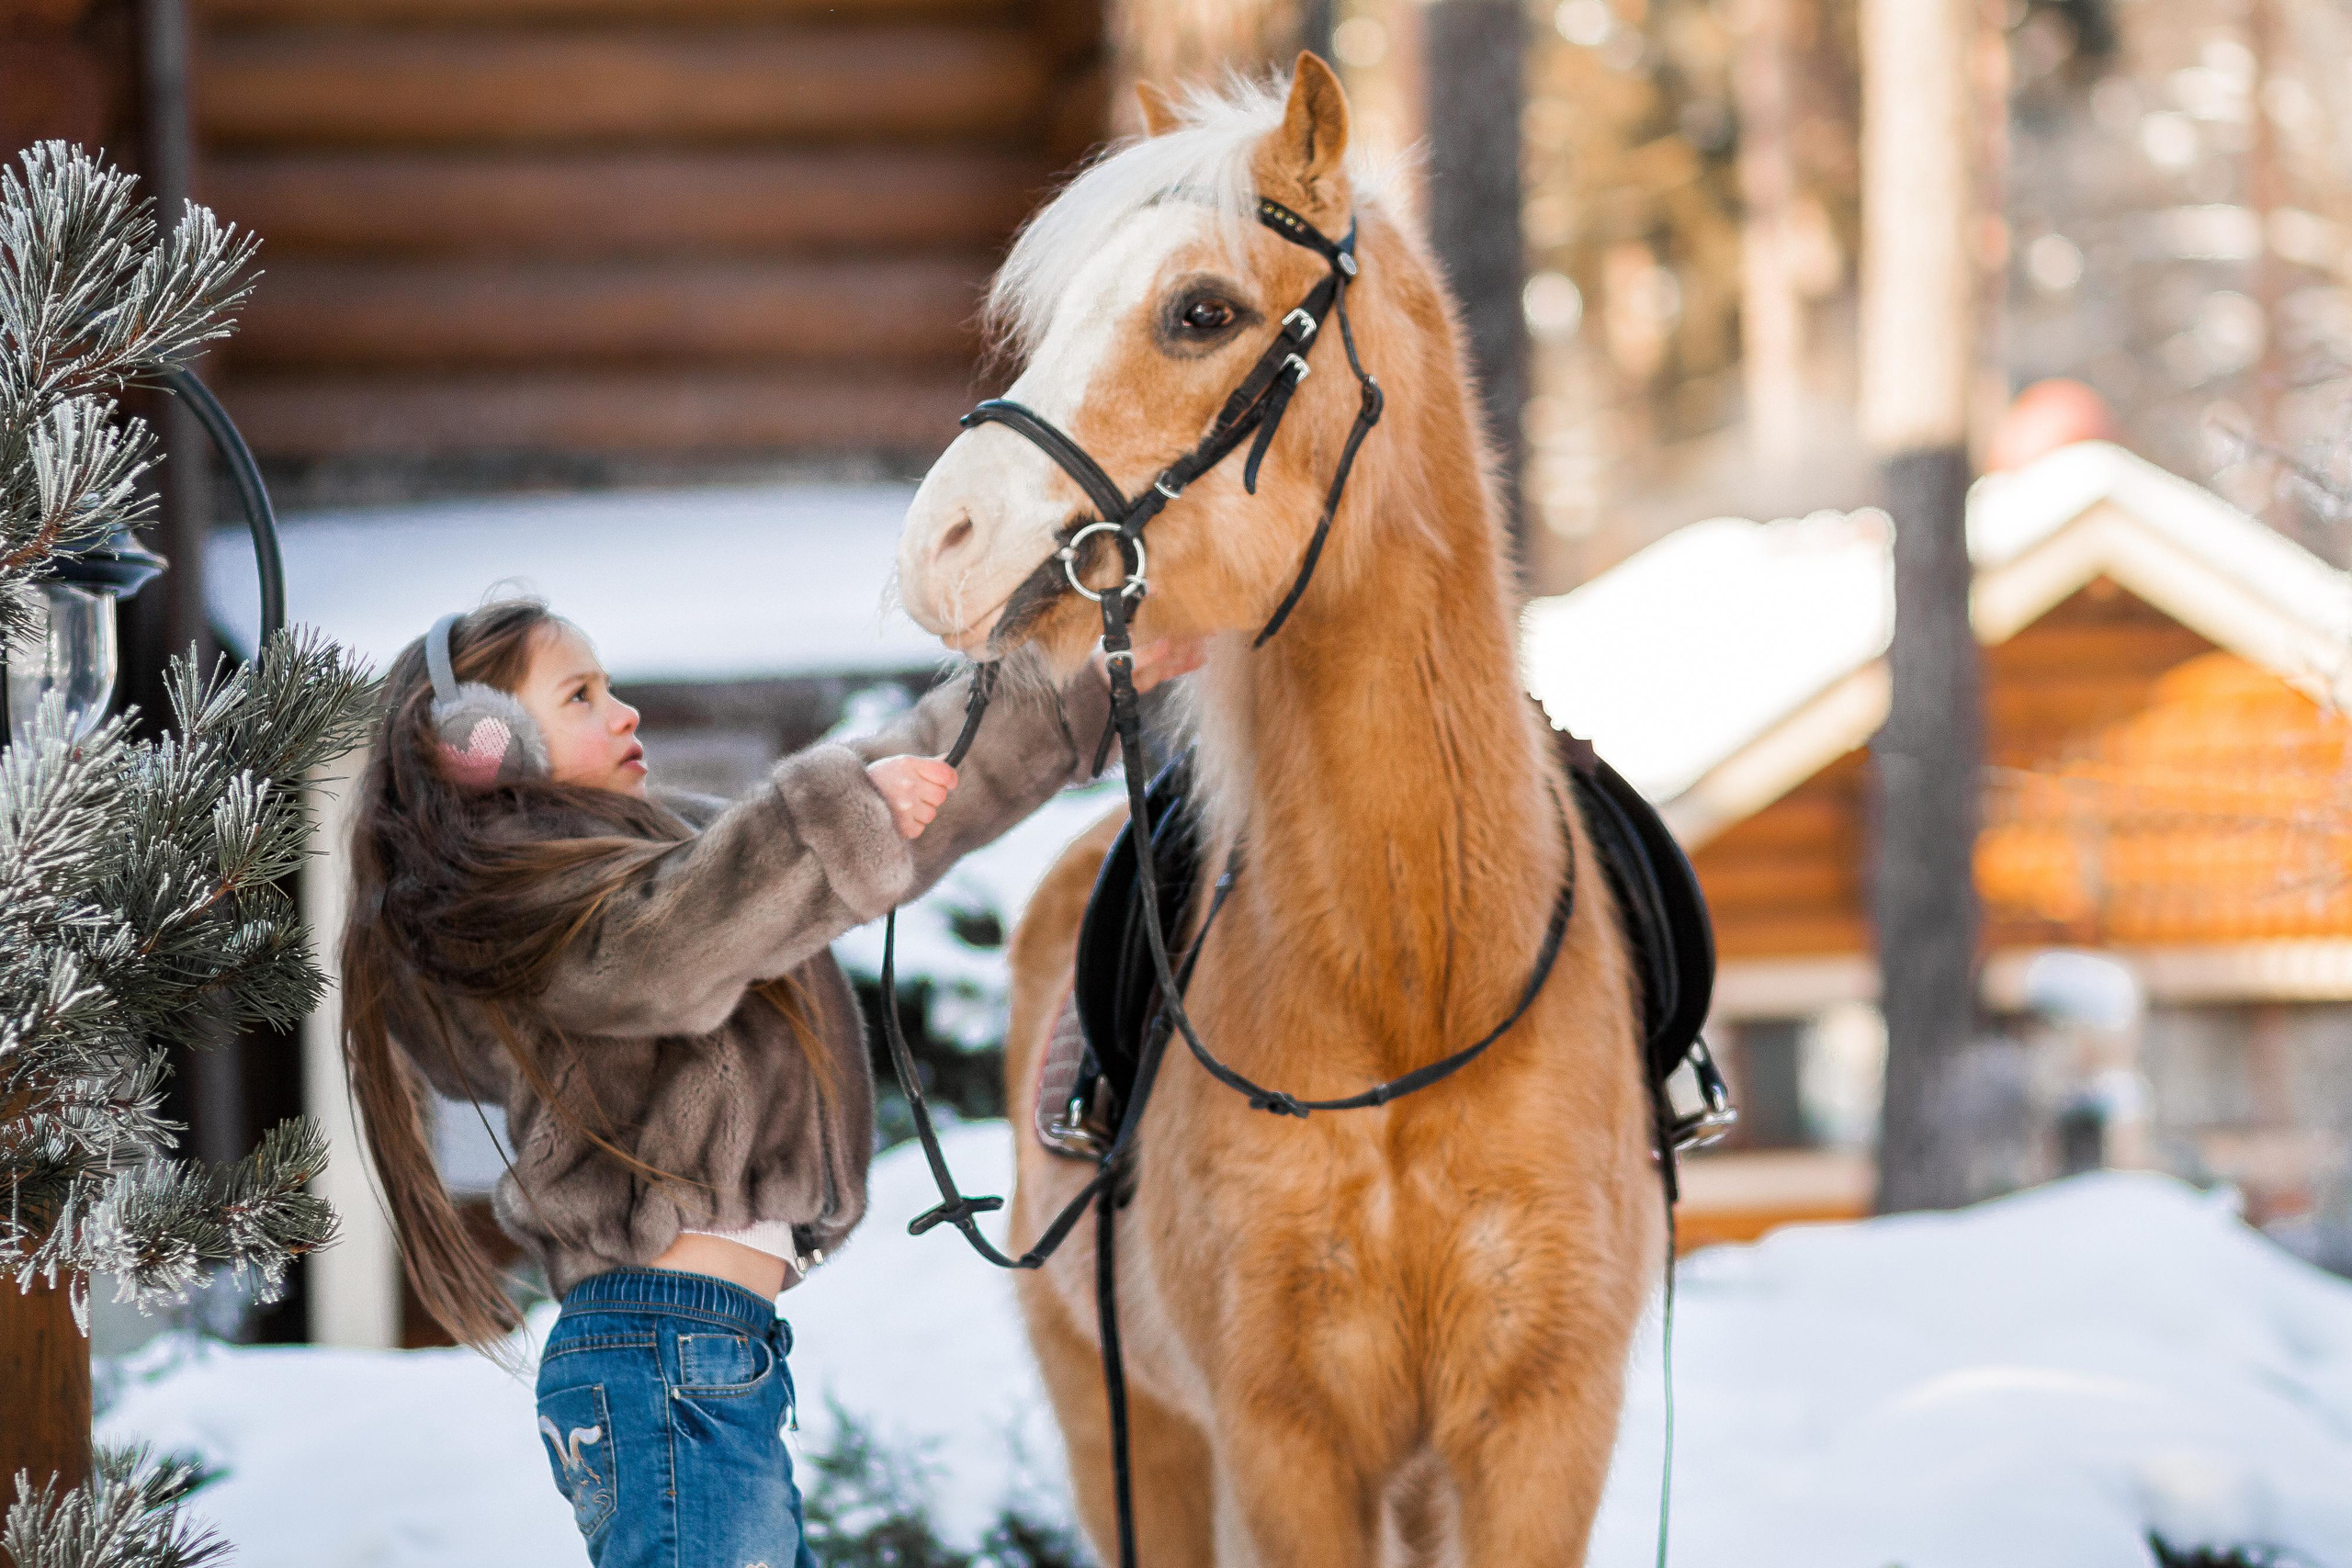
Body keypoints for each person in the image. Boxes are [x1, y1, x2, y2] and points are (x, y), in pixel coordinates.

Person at [338, 598, 1196, 1567]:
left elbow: (898, 794)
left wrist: (1083, 677)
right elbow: (665, 951)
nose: (624, 713)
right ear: (480, 747)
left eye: (611, 687)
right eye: (581, 696)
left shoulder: (678, 865)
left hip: (706, 1350)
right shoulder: (528, 914)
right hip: (663, 1354)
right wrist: (839, 815)